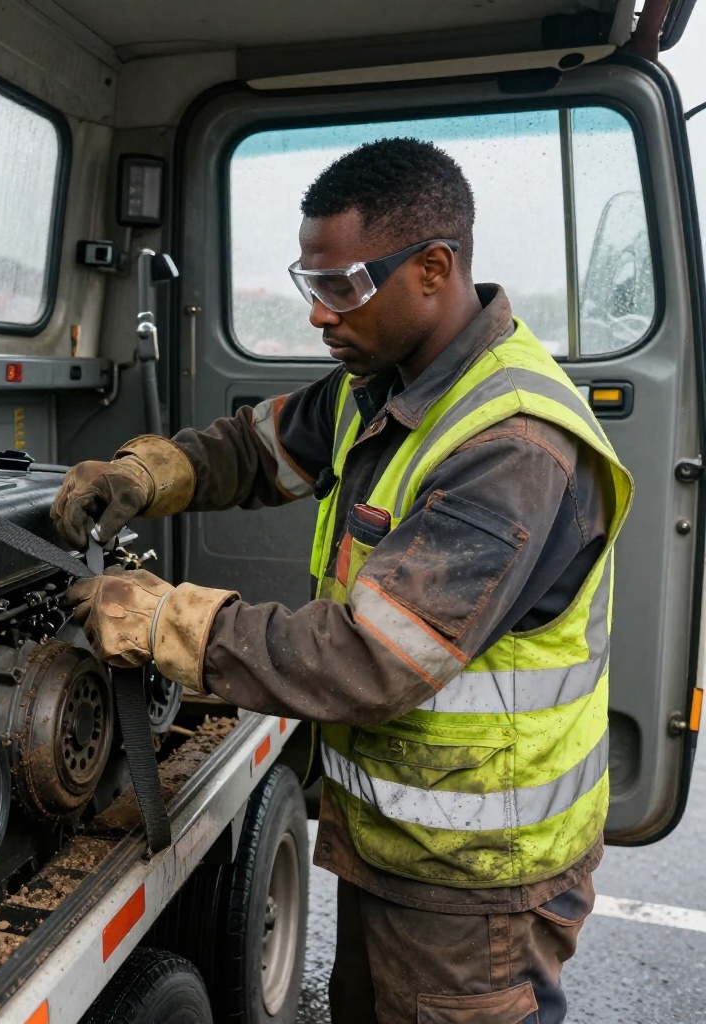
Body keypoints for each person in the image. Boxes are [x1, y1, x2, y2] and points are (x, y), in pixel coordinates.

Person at [52, 138, 633, 1024]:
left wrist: (166, 621)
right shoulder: (388, 382)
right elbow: (257, 450)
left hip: (478, 886)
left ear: (433, 268)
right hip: (400, 845)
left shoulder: (510, 444)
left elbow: (372, 658)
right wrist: (146, 472)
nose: (320, 316)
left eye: (340, 288)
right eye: (309, 285)